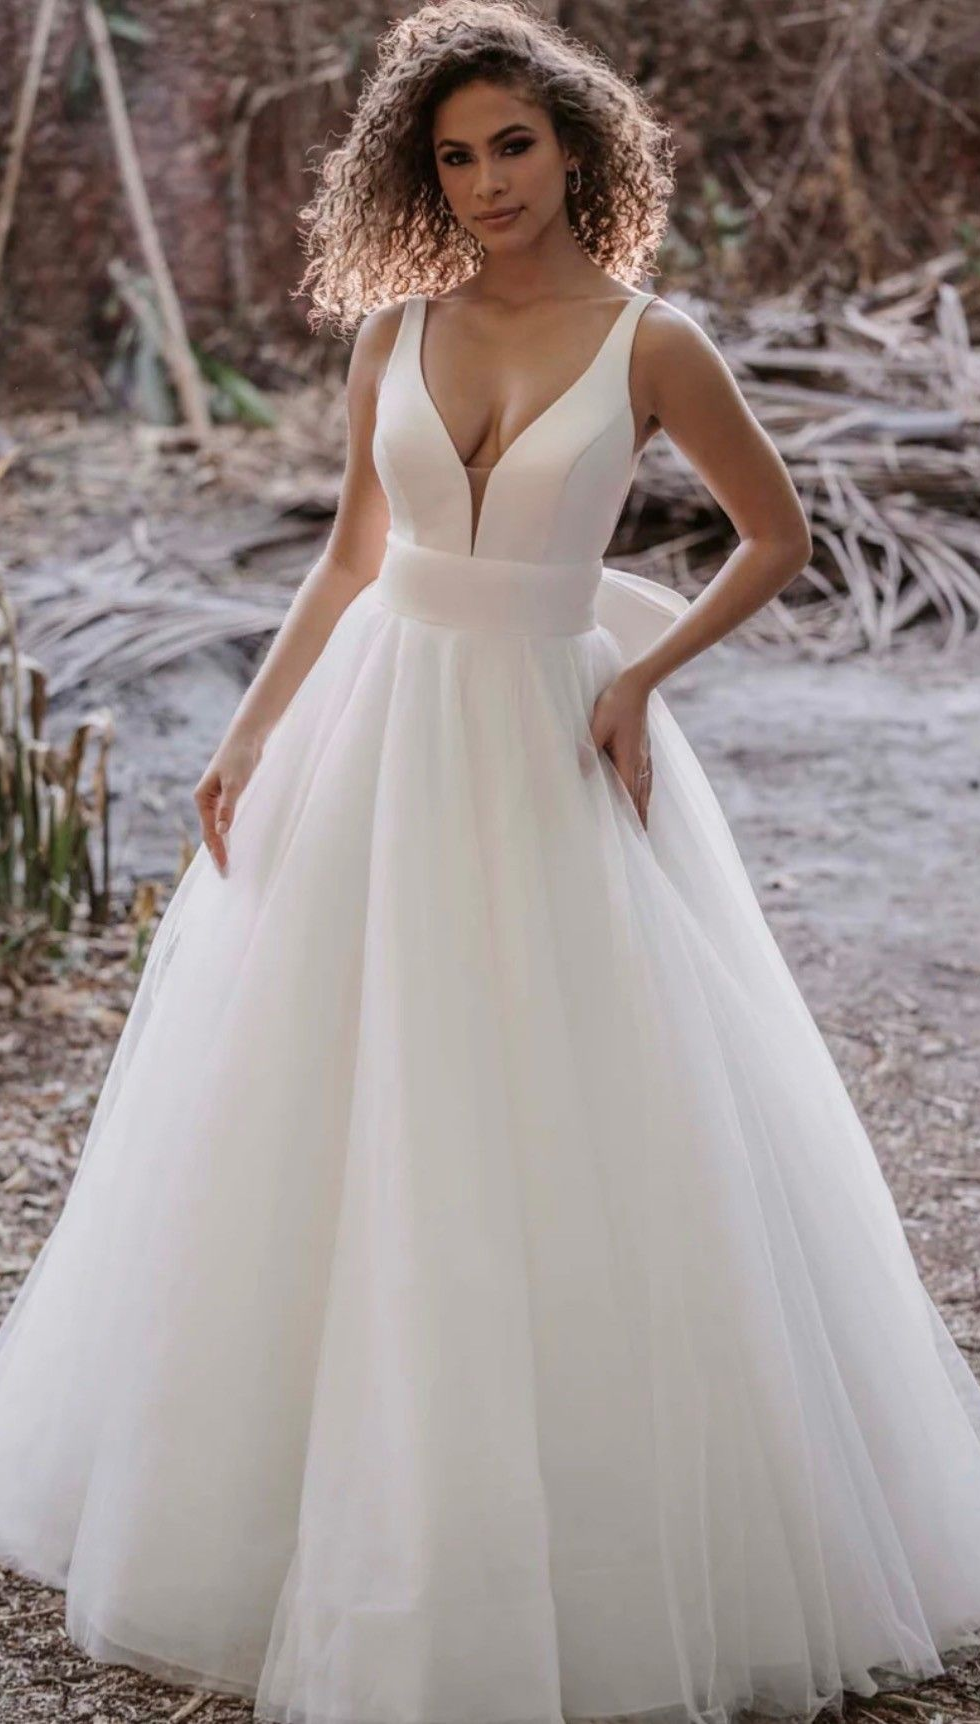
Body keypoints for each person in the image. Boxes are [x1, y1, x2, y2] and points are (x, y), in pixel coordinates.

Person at [2, 4, 980, 1723]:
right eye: (452, 155)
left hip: (543, 730)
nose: (485, 181)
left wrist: (637, 677)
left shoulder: (654, 341)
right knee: (320, 1097)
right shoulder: (393, 330)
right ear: (418, 171)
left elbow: (780, 538)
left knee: (551, 1106)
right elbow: (345, 563)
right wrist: (245, 735)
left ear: (577, 147)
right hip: (373, 724)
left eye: (512, 144)